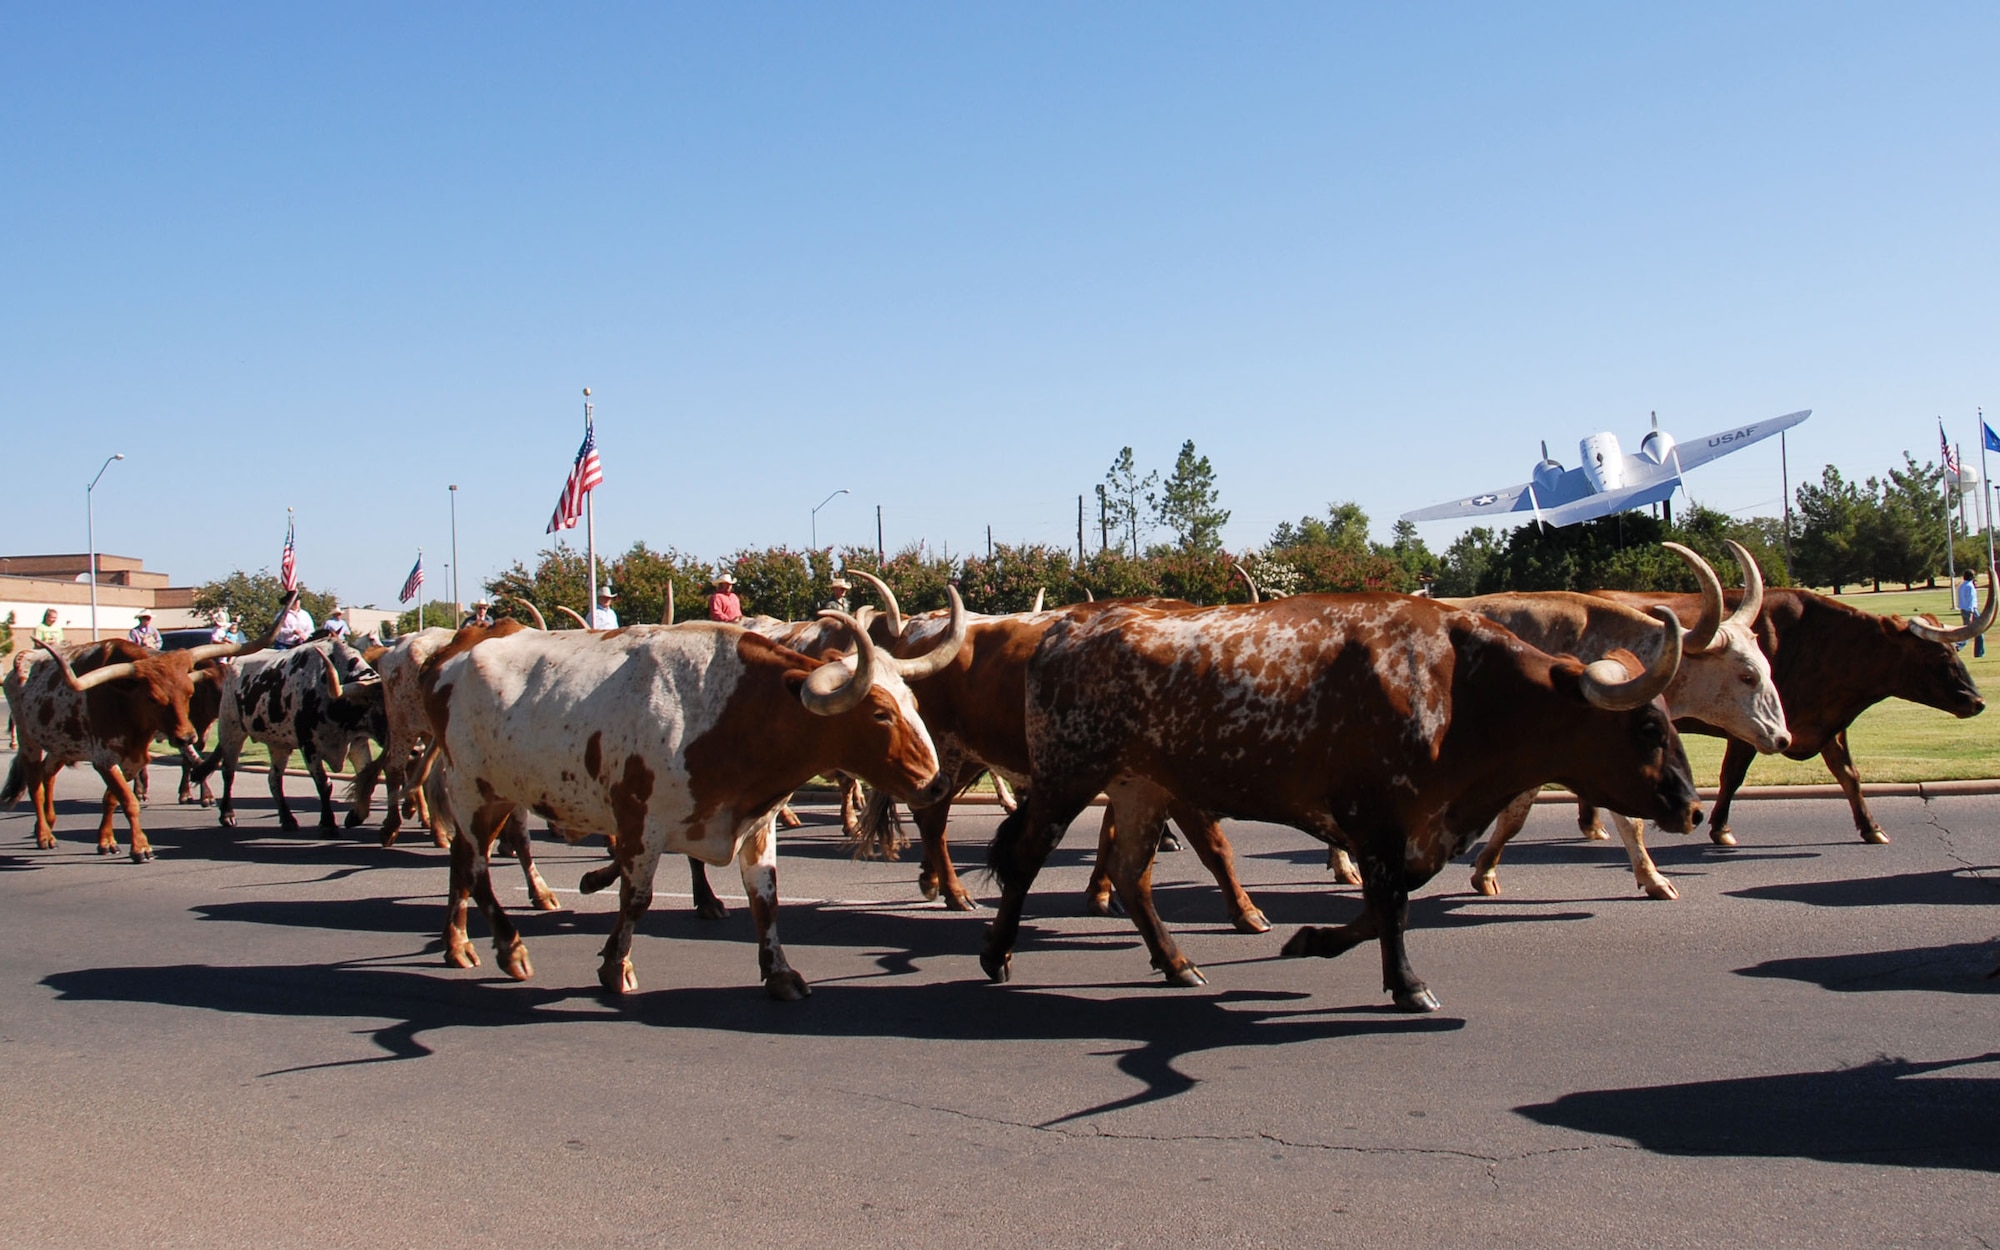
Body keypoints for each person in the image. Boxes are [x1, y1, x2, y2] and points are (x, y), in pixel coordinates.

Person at [1956, 569, 1985, 658]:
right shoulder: (1970, 586)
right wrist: (1971, 612)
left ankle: (1979, 653)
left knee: (1973, 631)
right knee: (1974, 631)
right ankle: (1958, 647)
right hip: (1971, 610)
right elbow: (1971, 600)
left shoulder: (1961, 586)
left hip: (1963, 610)